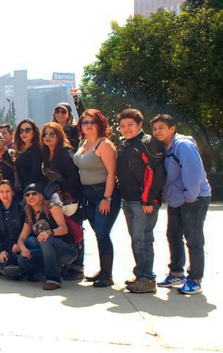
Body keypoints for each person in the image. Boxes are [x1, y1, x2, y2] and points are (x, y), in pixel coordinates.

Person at [150, 114, 212, 295]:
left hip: (194, 198)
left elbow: (194, 173)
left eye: (161, 127)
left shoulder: (183, 145)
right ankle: (176, 273)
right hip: (177, 200)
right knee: (173, 235)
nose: (157, 131)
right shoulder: (165, 147)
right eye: (154, 129)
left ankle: (195, 279)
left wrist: (190, 196)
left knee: (193, 239)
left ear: (172, 128)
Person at [115, 109, 166, 294]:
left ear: (139, 125)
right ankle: (140, 274)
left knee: (143, 239)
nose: (126, 129)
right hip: (128, 200)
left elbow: (155, 173)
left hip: (143, 202)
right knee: (136, 239)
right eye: (122, 126)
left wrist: (148, 199)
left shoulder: (148, 143)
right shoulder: (124, 144)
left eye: (130, 125)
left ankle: (147, 279)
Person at [73, 109, 120, 288]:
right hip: (87, 195)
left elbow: (112, 173)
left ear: (100, 124)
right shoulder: (83, 142)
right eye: (85, 122)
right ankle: (102, 271)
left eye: (93, 122)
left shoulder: (105, 145)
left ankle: (107, 275)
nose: (89, 126)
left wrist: (107, 198)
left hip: (104, 194)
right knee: (97, 233)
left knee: (102, 233)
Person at [16, 183, 80, 290]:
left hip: (67, 250)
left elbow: (64, 229)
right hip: (48, 253)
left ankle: (53, 279)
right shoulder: (30, 216)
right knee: (22, 259)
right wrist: (23, 249)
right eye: (27, 195)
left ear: (41, 196)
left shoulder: (51, 207)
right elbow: (21, 239)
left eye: (34, 194)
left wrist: (49, 232)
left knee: (44, 239)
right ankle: (49, 270)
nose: (30, 197)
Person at [41, 122, 83, 280]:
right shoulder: (46, 154)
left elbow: (74, 177)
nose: (48, 137)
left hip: (70, 199)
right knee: (64, 230)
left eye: (52, 134)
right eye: (45, 134)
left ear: (59, 135)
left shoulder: (65, 152)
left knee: (76, 231)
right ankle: (69, 265)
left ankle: (78, 267)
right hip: (56, 200)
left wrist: (59, 187)